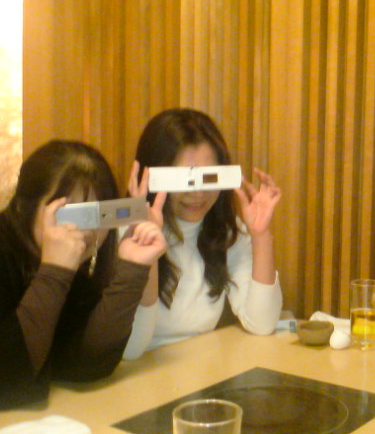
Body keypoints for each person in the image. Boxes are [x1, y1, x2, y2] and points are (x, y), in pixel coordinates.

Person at [0, 140, 167, 409]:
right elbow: (7, 380)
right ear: (26, 206)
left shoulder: (74, 272)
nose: (86, 231)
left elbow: (86, 365)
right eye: (71, 213)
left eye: (98, 214)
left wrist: (132, 270)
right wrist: (53, 274)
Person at [123, 108, 282, 359]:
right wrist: (147, 253)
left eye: (208, 177)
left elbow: (262, 323)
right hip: (139, 371)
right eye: (183, 179)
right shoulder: (124, 235)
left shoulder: (227, 233)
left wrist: (260, 236)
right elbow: (131, 349)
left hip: (201, 369)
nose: (197, 193)